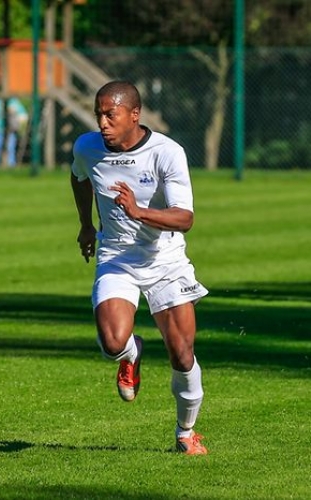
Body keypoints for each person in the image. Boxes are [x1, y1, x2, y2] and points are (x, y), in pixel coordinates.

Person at [70, 81, 209, 455]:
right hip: (116, 256)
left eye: (109, 114)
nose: (101, 122)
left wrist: (139, 211)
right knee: (113, 342)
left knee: (182, 354)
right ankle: (131, 355)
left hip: (166, 261)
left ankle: (186, 432)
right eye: (98, 113)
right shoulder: (86, 147)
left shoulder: (167, 153)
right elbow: (79, 177)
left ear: (134, 115)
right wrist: (86, 224)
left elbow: (185, 218)